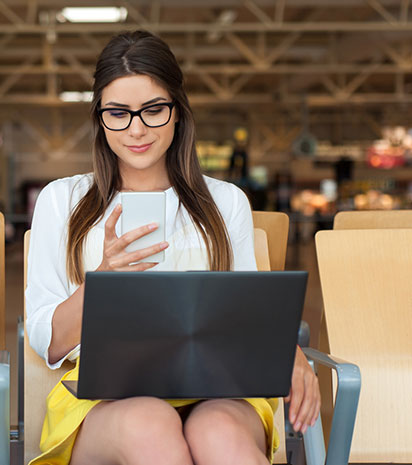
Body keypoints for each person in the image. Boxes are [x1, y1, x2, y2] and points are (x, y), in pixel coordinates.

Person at [25, 31, 320, 465]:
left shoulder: (225, 202)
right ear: (100, 118)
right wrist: (102, 283)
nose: (137, 129)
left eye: (153, 109)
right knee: (151, 425)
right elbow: (47, 342)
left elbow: (249, 310)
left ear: (178, 112)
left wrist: (287, 350)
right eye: (118, 113)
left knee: (221, 436)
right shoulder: (62, 200)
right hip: (103, 397)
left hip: (220, 388)